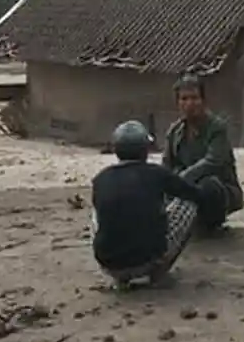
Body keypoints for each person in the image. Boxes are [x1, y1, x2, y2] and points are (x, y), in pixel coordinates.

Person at [91, 120, 215, 288]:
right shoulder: (156, 173)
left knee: (99, 211)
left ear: (115, 149)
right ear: (145, 150)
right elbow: (193, 194)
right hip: (148, 261)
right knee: (188, 203)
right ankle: (157, 273)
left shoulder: (101, 178)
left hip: (109, 265)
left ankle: (121, 280)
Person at [162, 73, 243, 230]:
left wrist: (183, 178)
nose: (189, 104)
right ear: (177, 103)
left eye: (194, 98)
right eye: (184, 99)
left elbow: (213, 162)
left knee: (209, 184)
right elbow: (166, 165)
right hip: (187, 188)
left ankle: (211, 223)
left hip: (219, 188)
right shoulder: (174, 131)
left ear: (203, 101)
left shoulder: (216, 128)